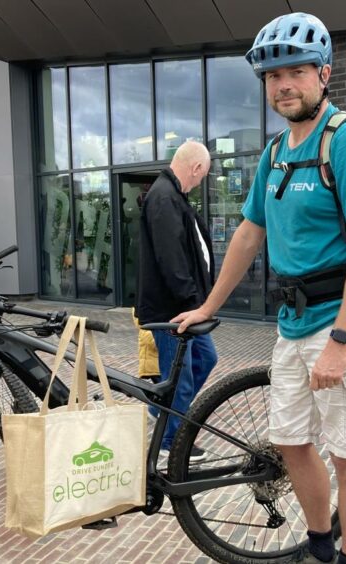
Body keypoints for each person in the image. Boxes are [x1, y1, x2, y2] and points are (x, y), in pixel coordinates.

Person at [173, 13, 346, 564]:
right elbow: (248, 235)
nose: (283, 85)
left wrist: (343, 341)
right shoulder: (273, 154)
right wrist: (207, 305)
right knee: (291, 442)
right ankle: (319, 548)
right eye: (272, 77)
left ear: (324, 74)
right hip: (293, 323)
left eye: (295, 72)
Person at [136, 140, 217, 464]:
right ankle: (171, 441)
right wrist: (192, 302)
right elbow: (171, 260)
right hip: (175, 310)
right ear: (195, 168)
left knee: (205, 359)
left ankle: (159, 408)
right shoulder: (164, 198)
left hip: (186, 308)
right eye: (202, 176)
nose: (200, 182)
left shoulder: (173, 196)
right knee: (179, 378)